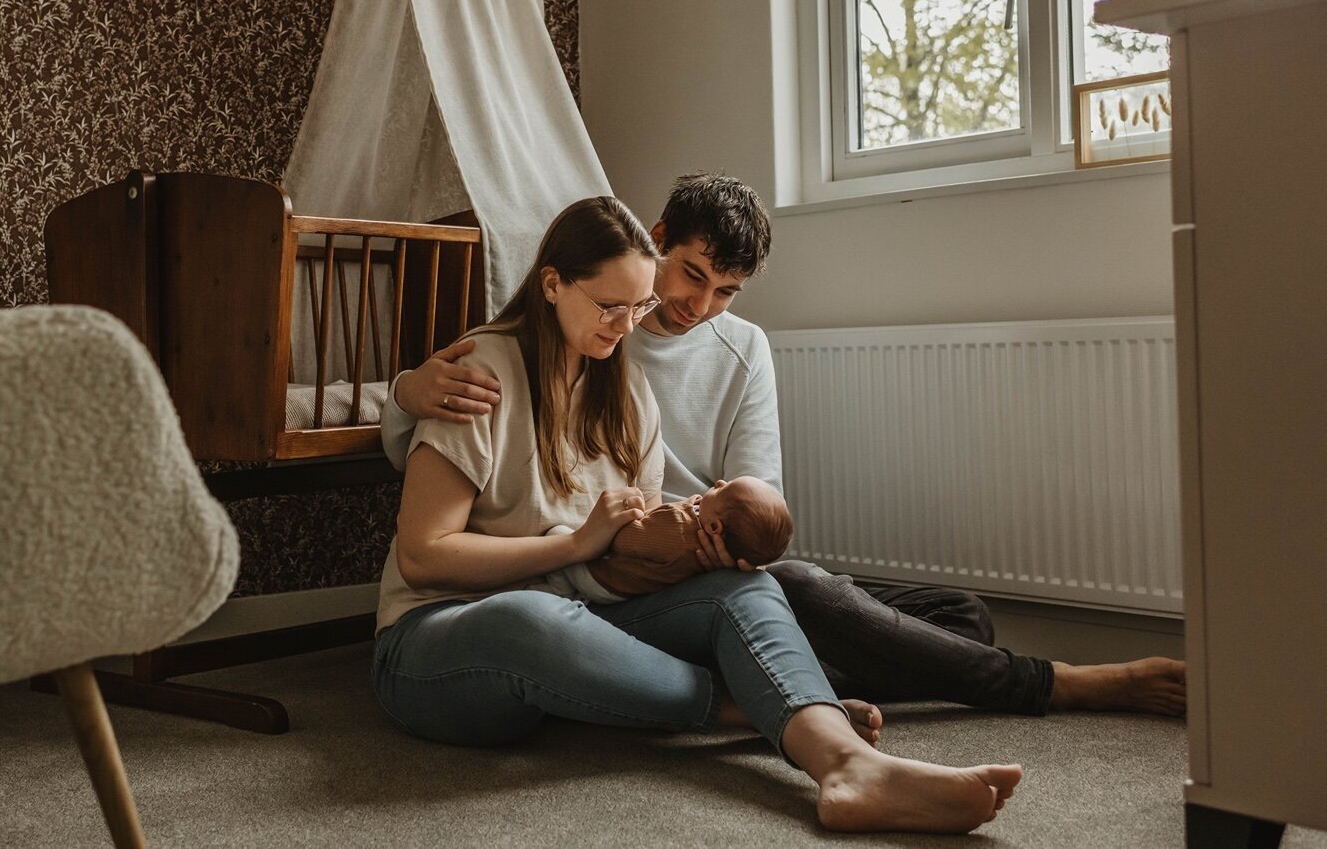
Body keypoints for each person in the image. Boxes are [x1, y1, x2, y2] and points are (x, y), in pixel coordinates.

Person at [384, 174, 1187, 717]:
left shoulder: (709, 353)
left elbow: (756, 493)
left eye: (724, 290)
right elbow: (466, 434)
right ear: (657, 241)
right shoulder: (579, 331)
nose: (698, 304)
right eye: (691, 274)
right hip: (617, 562)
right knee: (808, 596)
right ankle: (1045, 683)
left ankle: (793, 675)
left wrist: (709, 527)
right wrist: (404, 392)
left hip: (699, 542)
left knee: (958, 614)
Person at [373, 194, 1021, 835]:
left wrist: (677, 546)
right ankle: (746, 709)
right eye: (609, 307)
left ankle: (848, 762)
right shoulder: (480, 374)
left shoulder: (624, 389)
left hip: (580, 610)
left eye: (638, 307)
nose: (626, 327)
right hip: (441, 630)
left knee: (747, 587)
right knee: (531, 619)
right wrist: (576, 543)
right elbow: (424, 554)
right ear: (551, 284)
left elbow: (627, 545)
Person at [545, 476, 791, 603]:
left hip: (604, 582)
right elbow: (696, 509)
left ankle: (561, 593)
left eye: (723, 489)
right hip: (638, 589)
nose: (719, 481)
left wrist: (617, 522)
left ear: (714, 527)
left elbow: (626, 543)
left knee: (557, 534)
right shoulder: (702, 530)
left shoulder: (676, 530)